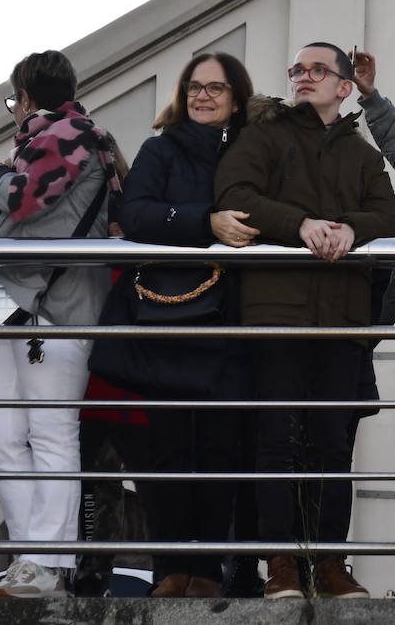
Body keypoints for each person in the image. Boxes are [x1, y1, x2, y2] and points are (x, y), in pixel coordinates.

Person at [214, 42, 395, 600]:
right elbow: (234, 193)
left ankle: (330, 563)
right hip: (275, 312)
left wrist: (349, 229)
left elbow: (386, 216)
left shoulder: (364, 153)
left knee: (331, 443)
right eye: (297, 68)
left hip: (342, 320)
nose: (303, 76)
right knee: (275, 439)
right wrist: (299, 225)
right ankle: (283, 565)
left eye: (318, 69)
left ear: (344, 87)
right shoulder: (265, 135)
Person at [0, 50, 119, 598]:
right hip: (6, 294)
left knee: (51, 432)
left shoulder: (71, 133)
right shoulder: (45, 139)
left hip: (53, 303)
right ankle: (31, 561)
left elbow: (23, 197)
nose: (14, 111)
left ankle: (44, 566)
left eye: (15, 99)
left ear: (28, 96)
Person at [117, 52, 258, 598]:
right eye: (194, 87)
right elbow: (137, 215)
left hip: (233, 316)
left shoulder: (252, 148)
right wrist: (206, 223)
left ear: (236, 98)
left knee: (226, 447)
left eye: (215, 89)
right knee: (170, 448)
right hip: (171, 313)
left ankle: (213, 570)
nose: (203, 96)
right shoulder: (161, 149)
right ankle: (171, 568)